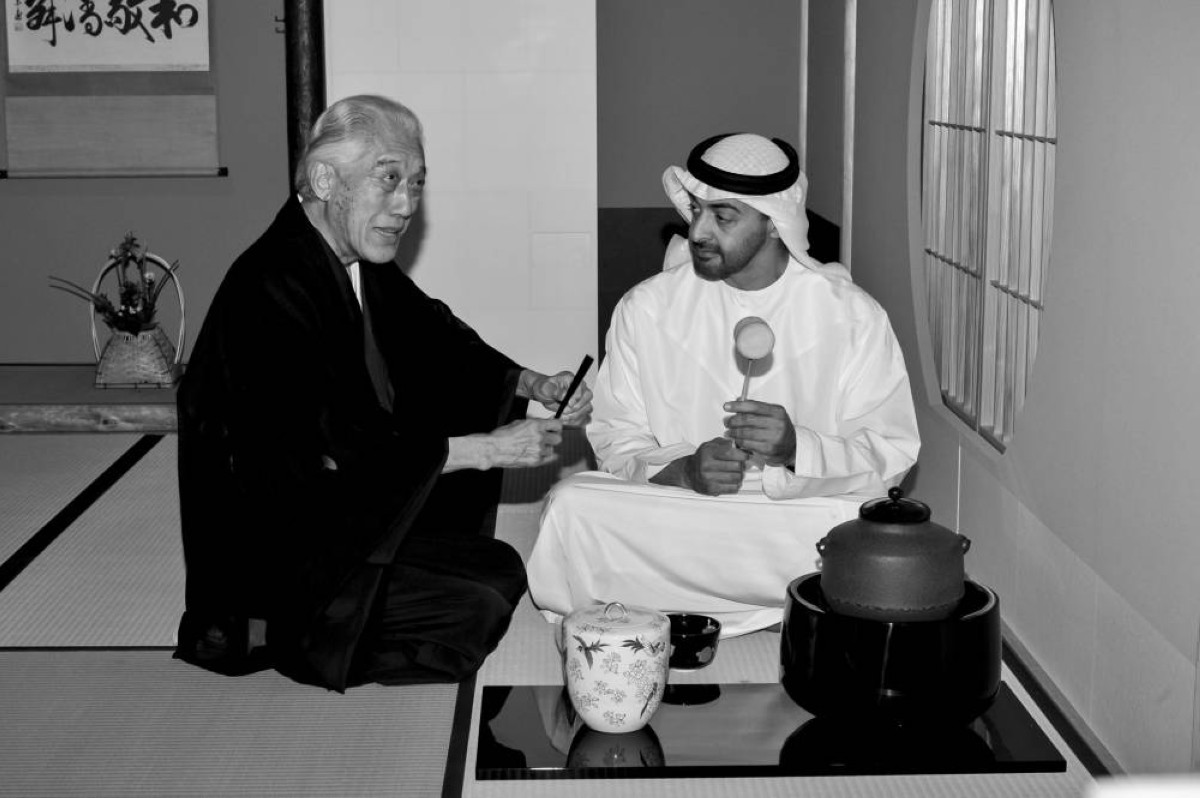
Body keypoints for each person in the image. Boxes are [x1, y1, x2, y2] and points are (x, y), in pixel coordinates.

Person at [174, 94, 592, 691]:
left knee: (499, 568)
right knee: (473, 605)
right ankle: (297, 637)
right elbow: (334, 444)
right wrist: (487, 449)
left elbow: (438, 340)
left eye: (416, 184)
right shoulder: (269, 287)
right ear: (326, 180)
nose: (406, 205)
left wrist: (531, 382)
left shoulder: (354, 260)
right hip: (278, 558)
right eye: (389, 179)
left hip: (341, 521)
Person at [526, 133, 919, 637]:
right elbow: (615, 438)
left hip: (795, 512)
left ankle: (673, 600)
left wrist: (798, 449)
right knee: (572, 506)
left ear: (774, 223)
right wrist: (685, 469)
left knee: (865, 531)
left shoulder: (853, 315)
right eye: (696, 210)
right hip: (683, 508)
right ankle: (788, 604)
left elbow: (891, 453)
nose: (698, 231)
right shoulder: (647, 308)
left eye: (723, 217)